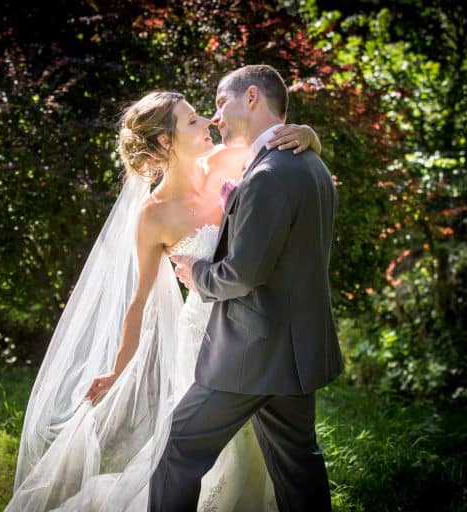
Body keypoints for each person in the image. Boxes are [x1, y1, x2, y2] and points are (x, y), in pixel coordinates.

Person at [6, 89, 321, 511]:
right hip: (206, 339)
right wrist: (118, 368)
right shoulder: (154, 215)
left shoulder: (228, 162)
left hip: (262, 328)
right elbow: (139, 301)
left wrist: (308, 134)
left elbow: (276, 148)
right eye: (192, 121)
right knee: (205, 451)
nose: (209, 123)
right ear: (165, 142)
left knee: (269, 452)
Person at [152, 64, 344, 512]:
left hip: (251, 352)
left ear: (252, 97)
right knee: (298, 467)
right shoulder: (310, 163)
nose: (216, 116)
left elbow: (241, 274)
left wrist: (195, 273)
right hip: (294, 355)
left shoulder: (269, 175)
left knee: (179, 449)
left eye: (221, 102)